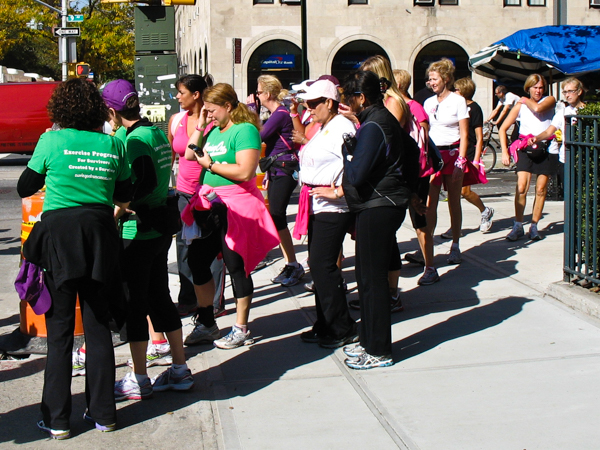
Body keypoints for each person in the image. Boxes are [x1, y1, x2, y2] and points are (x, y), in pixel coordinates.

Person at [17, 78, 133, 438]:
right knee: (99, 330)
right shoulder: (113, 145)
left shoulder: (51, 140)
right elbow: (125, 192)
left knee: (61, 333)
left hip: (59, 241)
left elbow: (25, 186)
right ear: (98, 111)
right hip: (100, 238)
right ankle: (104, 415)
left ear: (60, 110)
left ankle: (57, 421)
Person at [103, 80, 194, 401]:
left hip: (137, 232)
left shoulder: (135, 140)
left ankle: (139, 378)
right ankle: (180, 369)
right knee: (159, 298)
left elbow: (143, 182)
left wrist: (118, 210)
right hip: (157, 229)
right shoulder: (154, 131)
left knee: (135, 305)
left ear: (112, 110)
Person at [183, 83, 280, 349]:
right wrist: (202, 124)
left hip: (236, 207)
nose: (209, 115)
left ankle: (241, 327)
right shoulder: (212, 129)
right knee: (197, 261)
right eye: (206, 110)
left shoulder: (244, 130)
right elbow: (190, 154)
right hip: (210, 206)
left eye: (212, 110)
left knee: (236, 264)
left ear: (228, 106)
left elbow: (246, 172)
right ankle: (206, 323)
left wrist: (212, 165)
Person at [340, 70, 423, 370]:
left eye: (349, 98)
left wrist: (347, 154)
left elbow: (357, 174)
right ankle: (368, 342)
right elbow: (412, 149)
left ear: (361, 98)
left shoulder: (374, 124)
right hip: (383, 202)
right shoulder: (380, 118)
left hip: (378, 204)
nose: (346, 103)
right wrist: (409, 190)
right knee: (365, 278)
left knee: (372, 281)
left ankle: (378, 350)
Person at [292, 79, 358, 348]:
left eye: (313, 103)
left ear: (329, 103)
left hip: (332, 205)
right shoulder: (325, 127)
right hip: (316, 202)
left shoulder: (342, 127)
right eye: (306, 103)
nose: (309, 108)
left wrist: (340, 191)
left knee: (323, 265)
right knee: (318, 265)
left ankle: (342, 327)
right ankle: (326, 322)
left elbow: (355, 164)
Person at [168, 74, 226, 319]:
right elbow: (171, 155)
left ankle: (213, 302)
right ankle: (188, 298)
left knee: (212, 249)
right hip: (184, 193)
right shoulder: (176, 120)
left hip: (209, 195)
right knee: (183, 247)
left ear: (196, 95)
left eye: (181, 92)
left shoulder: (214, 121)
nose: (178, 97)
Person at [256, 74, 304, 287]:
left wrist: (252, 113)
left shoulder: (280, 113)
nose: (257, 96)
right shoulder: (279, 113)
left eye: (258, 92)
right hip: (276, 170)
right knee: (276, 216)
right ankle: (290, 262)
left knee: (277, 215)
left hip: (284, 170)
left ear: (267, 93)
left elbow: (260, 136)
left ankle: (293, 264)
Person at [393, 68, 439, 285]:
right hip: (402, 170)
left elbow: (423, 142)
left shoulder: (414, 107)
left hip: (417, 171)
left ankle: (430, 266)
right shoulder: (395, 106)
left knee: (419, 219)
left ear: (399, 85)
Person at [499, 74, 556, 241]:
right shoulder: (521, 106)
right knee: (521, 187)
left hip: (545, 147)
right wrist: (504, 151)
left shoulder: (549, 100)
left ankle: (534, 225)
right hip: (526, 147)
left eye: (540, 87)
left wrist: (523, 99)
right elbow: (503, 128)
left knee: (541, 189)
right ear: (528, 88)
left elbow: (538, 109)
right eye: (534, 87)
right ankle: (517, 225)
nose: (538, 91)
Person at [527, 77, 585, 205]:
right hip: (566, 158)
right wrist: (537, 138)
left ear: (579, 91)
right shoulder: (562, 112)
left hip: (584, 159)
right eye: (565, 92)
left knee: (584, 195)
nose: (567, 95)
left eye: (570, 91)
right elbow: (549, 131)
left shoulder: (587, 111)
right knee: (570, 197)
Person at [452, 77, 494, 234]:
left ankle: (485, 210)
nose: (453, 92)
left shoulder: (474, 109)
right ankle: (455, 226)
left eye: (456, 89)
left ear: (462, 91)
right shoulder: (455, 106)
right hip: (454, 151)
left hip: (468, 152)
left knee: (464, 191)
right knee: (454, 193)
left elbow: (479, 136)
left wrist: (477, 159)